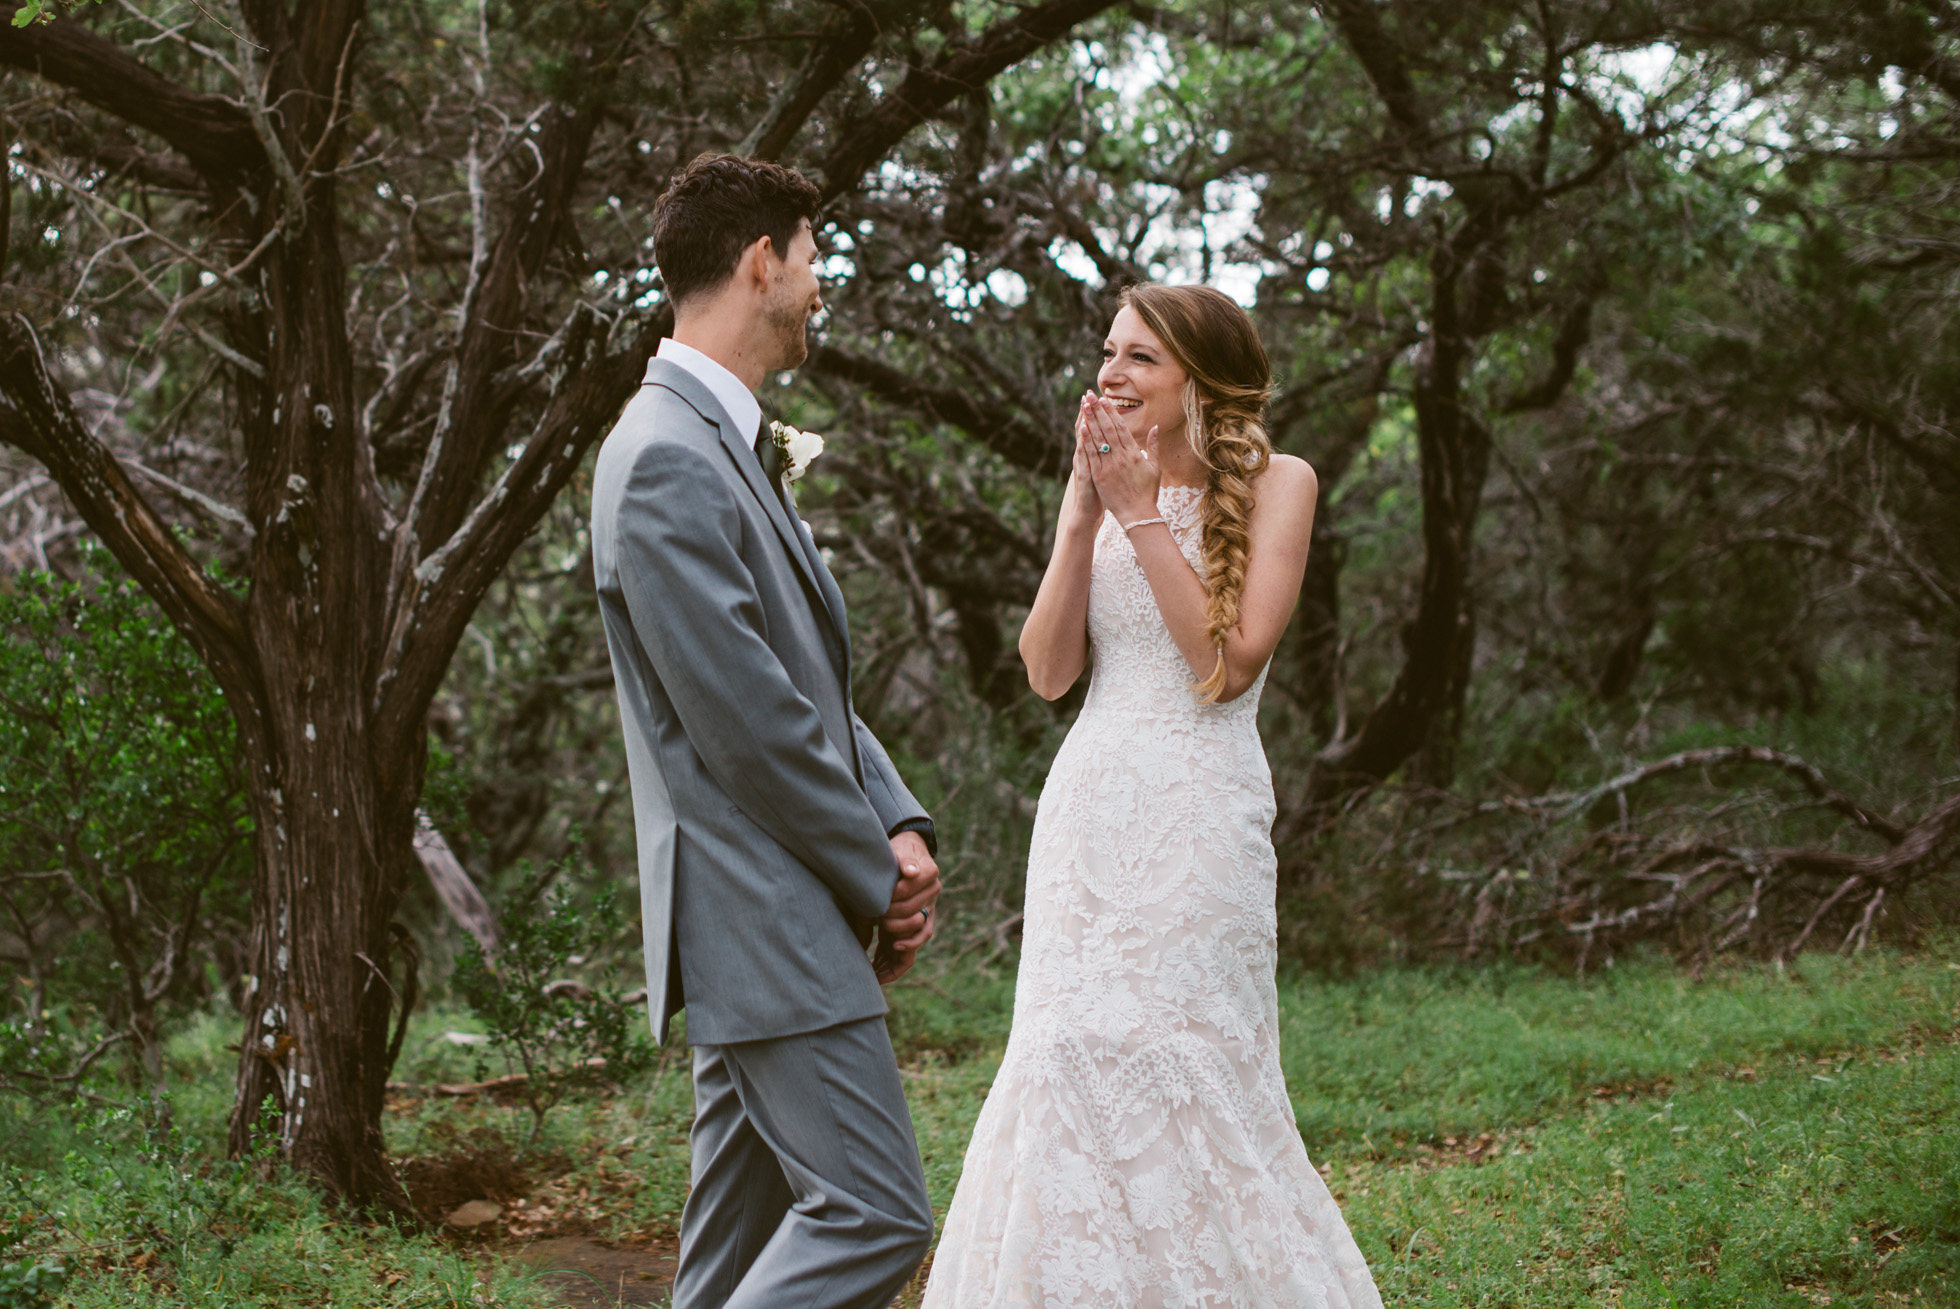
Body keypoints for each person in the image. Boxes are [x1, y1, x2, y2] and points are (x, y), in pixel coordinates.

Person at [923, 284, 1383, 1307]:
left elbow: (1225, 665)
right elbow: (1046, 672)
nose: (1110, 375)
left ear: (1198, 383)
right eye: (1107, 352)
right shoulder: (1095, 484)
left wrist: (1139, 515)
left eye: (1140, 359)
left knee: (1183, 1050)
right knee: (1063, 1047)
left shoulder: (1281, 484)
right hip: (1089, 800)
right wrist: (1083, 515)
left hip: (1199, 801)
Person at [590, 153, 941, 1309]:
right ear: (761, 264)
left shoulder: (723, 444)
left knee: (732, 1257)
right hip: (764, 911)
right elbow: (749, 729)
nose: (820, 282)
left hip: (773, 914)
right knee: (877, 1212)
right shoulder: (662, 460)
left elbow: (809, 683)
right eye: (812, 255)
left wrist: (893, 813)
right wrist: (869, 871)